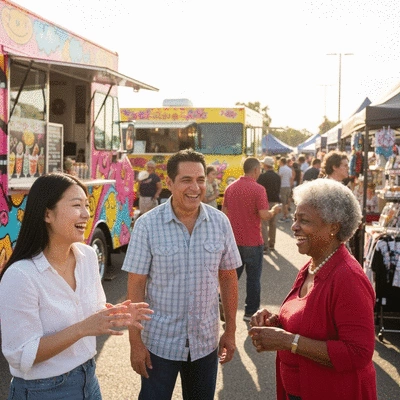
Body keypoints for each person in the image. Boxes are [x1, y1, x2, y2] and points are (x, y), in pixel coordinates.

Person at [0, 173, 153, 400]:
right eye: (76, 205)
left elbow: (94, 313)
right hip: (42, 390)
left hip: (88, 378)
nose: (86, 213)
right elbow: (21, 355)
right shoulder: (21, 275)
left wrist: (113, 316)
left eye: (87, 205)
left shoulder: (88, 256)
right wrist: (84, 328)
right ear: (47, 214)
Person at [122, 149, 241, 400]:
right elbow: (136, 286)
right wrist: (135, 343)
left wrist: (230, 330)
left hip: (204, 343)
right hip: (159, 344)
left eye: (200, 179)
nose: (195, 187)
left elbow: (229, 278)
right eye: (186, 180)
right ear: (169, 183)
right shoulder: (147, 225)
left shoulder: (220, 223)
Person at [248, 179, 377, 400]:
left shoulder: (348, 278)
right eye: (295, 218)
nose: (294, 226)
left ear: (333, 227)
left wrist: (288, 341)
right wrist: (276, 321)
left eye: (304, 220)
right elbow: (312, 322)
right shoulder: (312, 265)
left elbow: (358, 352)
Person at [223, 157, 281, 321]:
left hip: (234, 240)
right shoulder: (258, 189)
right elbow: (264, 215)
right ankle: (250, 312)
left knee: (231, 278)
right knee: (253, 279)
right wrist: (274, 211)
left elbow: (224, 213)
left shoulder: (230, 188)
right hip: (253, 241)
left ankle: (222, 303)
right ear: (256, 170)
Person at [257, 156, 281, 253]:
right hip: (275, 201)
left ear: (265, 165)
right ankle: (272, 244)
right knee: (273, 224)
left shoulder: (262, 176)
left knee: (264, 224)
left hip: (265, 202)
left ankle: (265, 246)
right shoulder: (277, 176)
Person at [278, 157, 294, 222]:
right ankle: (286, 215)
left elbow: (280, 178)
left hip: (283, 186)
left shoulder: (281, 168)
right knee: (287, 202)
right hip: (288, 186)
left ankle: (285, 216)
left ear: (281, 162)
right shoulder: (289, 169)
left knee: (283, 203)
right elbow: (291, 178)